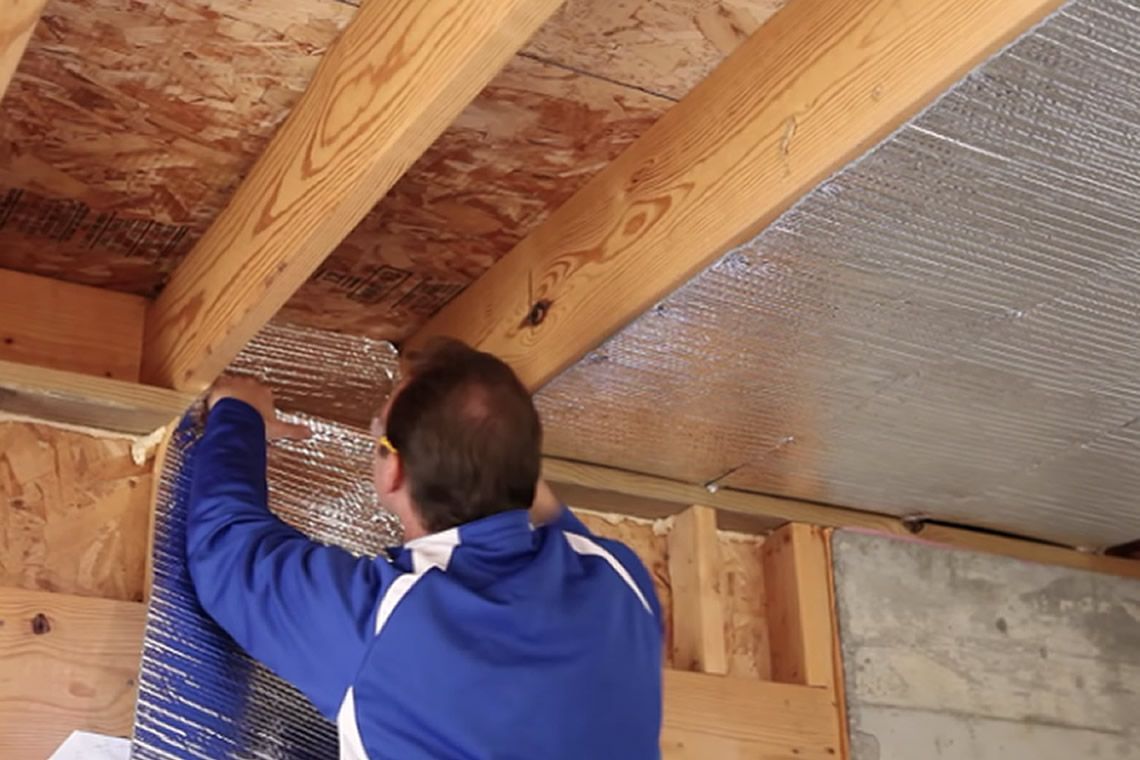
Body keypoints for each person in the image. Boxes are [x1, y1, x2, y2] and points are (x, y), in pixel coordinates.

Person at [185, 337, 663, 759]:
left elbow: (226, 550)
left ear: (394, 472)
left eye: (379, 436)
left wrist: (236, 410)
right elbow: (535, 497)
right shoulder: (619, 580)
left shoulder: (387, 623)